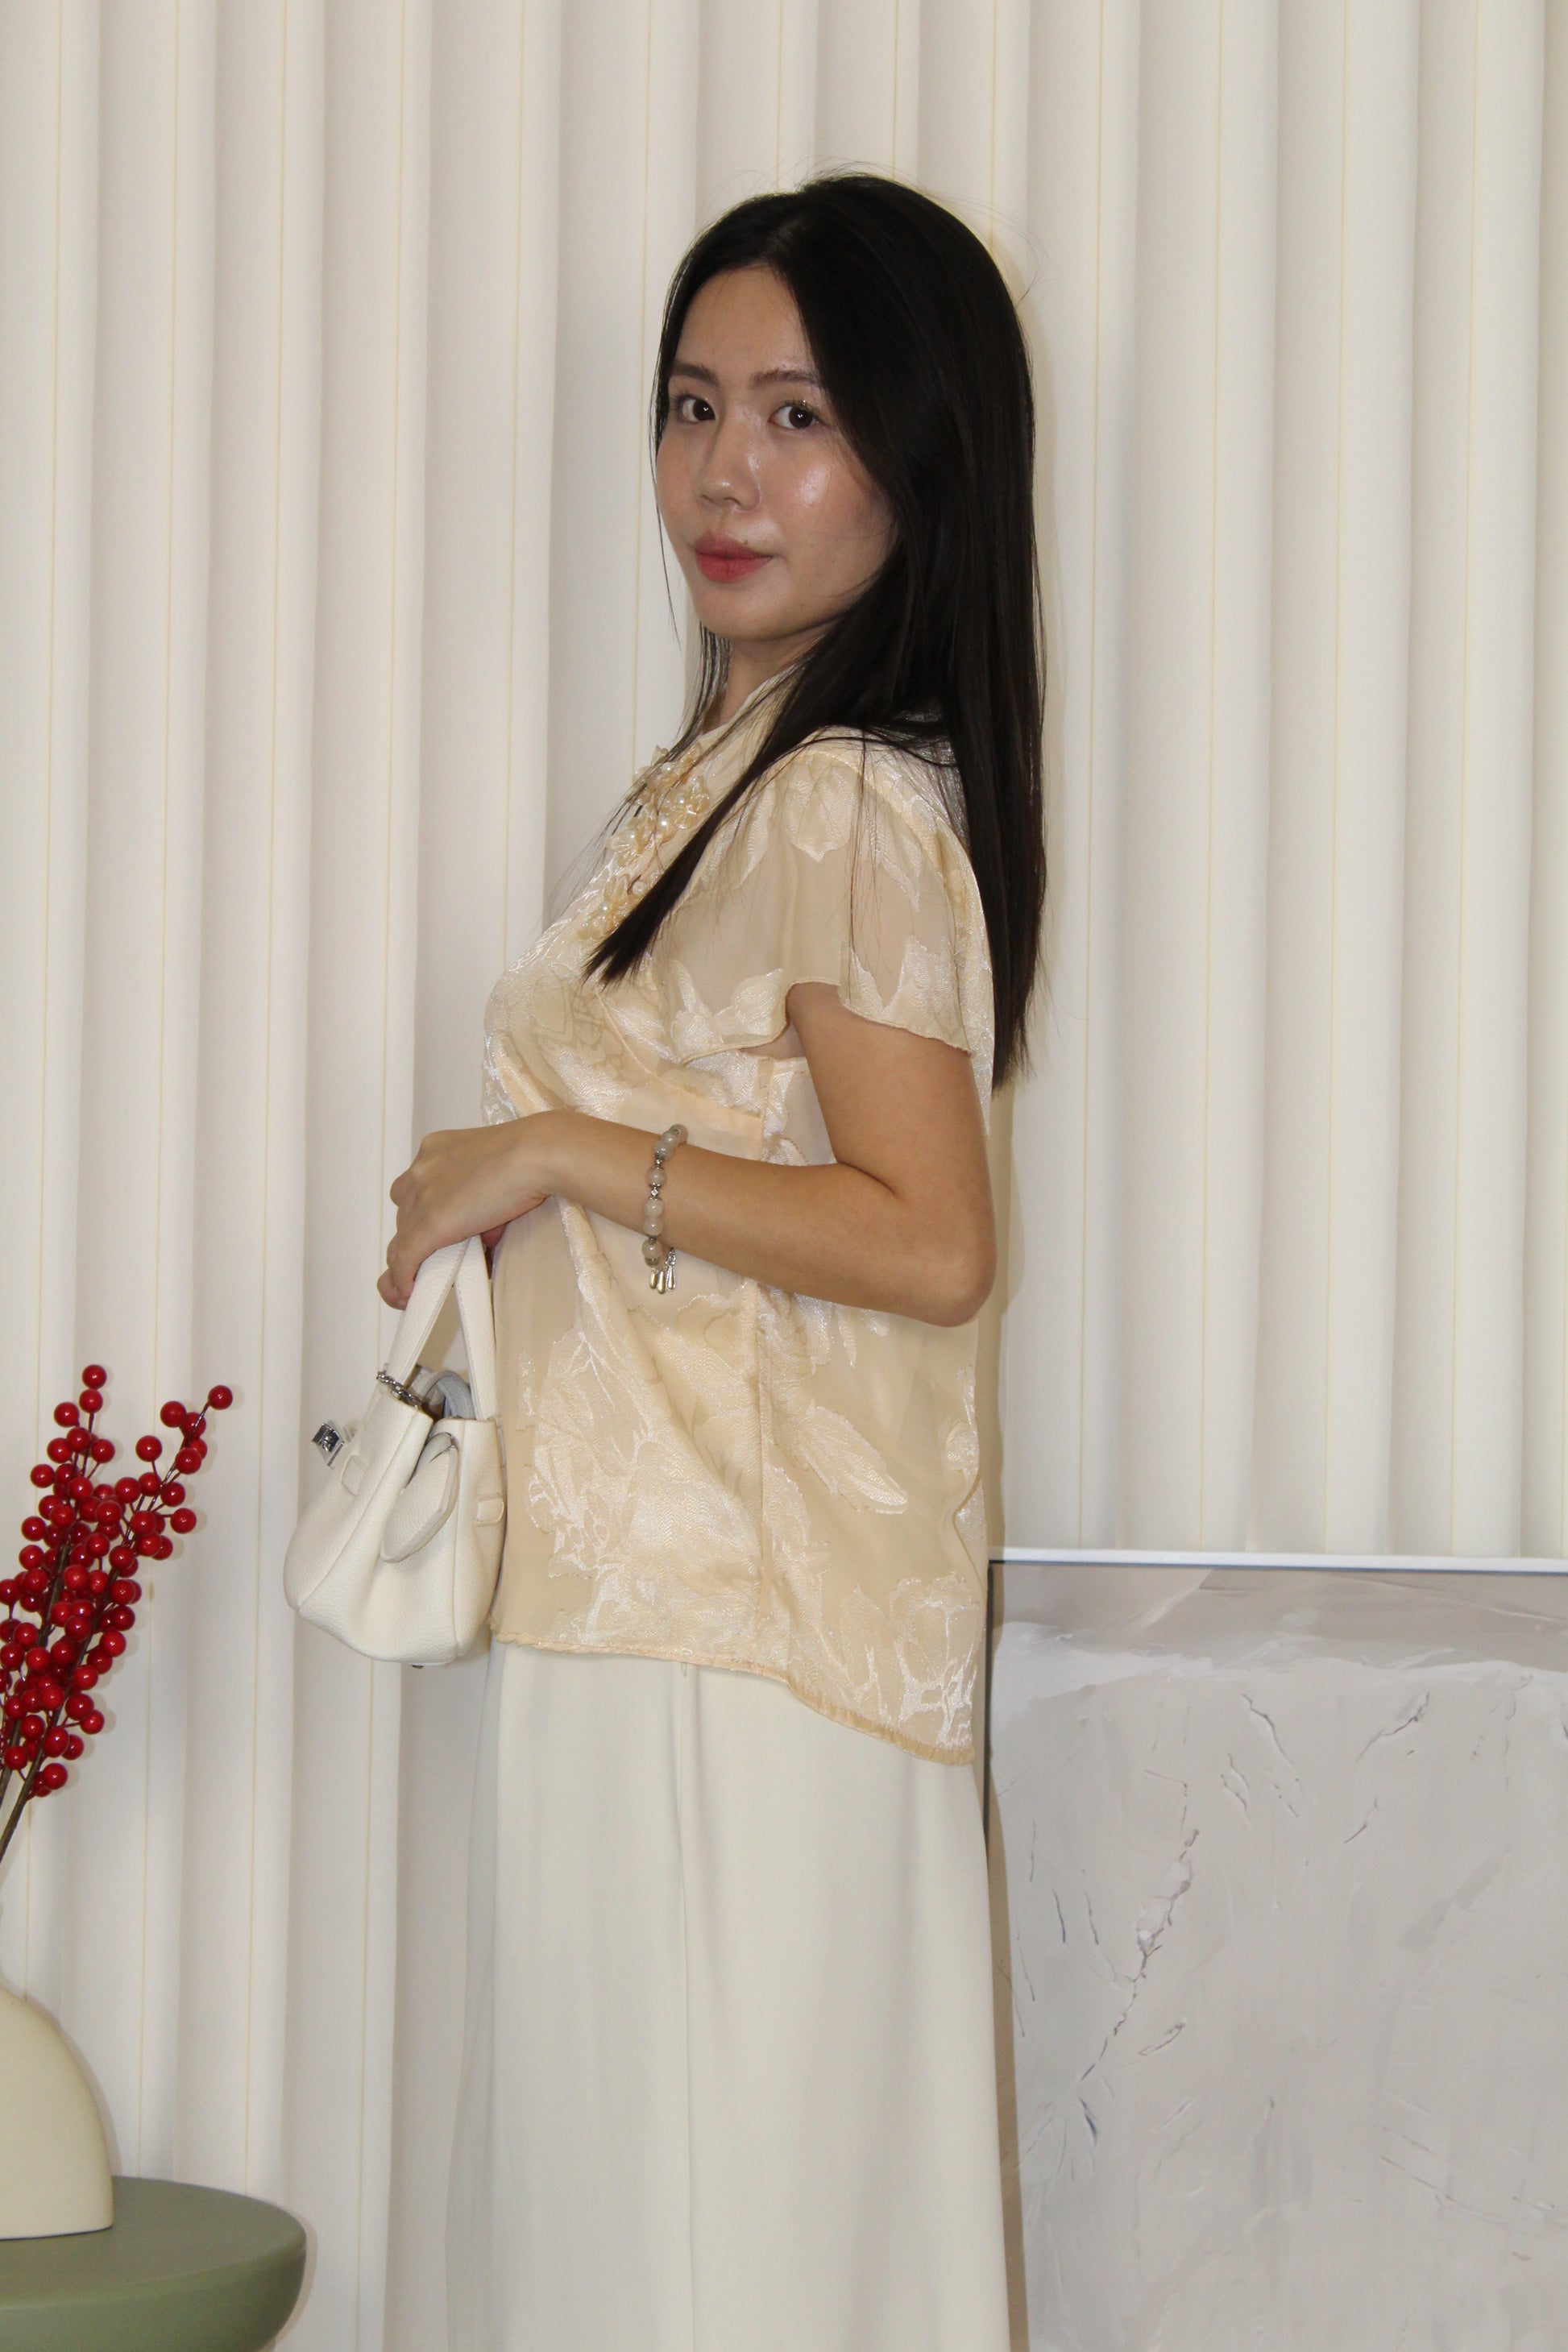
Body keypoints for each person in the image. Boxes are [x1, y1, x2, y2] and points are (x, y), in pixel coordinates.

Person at [380, 170, 1045, 2352]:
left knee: (695, 2269)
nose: (723, 472)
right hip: (648, 1608)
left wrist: (556, 1150)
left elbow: (929, 1241)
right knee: (642, 2258)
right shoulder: (731, 778)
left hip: (735, 1649)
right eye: (694, 405)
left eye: (797, 414)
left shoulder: (840, 797)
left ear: (920, 459)